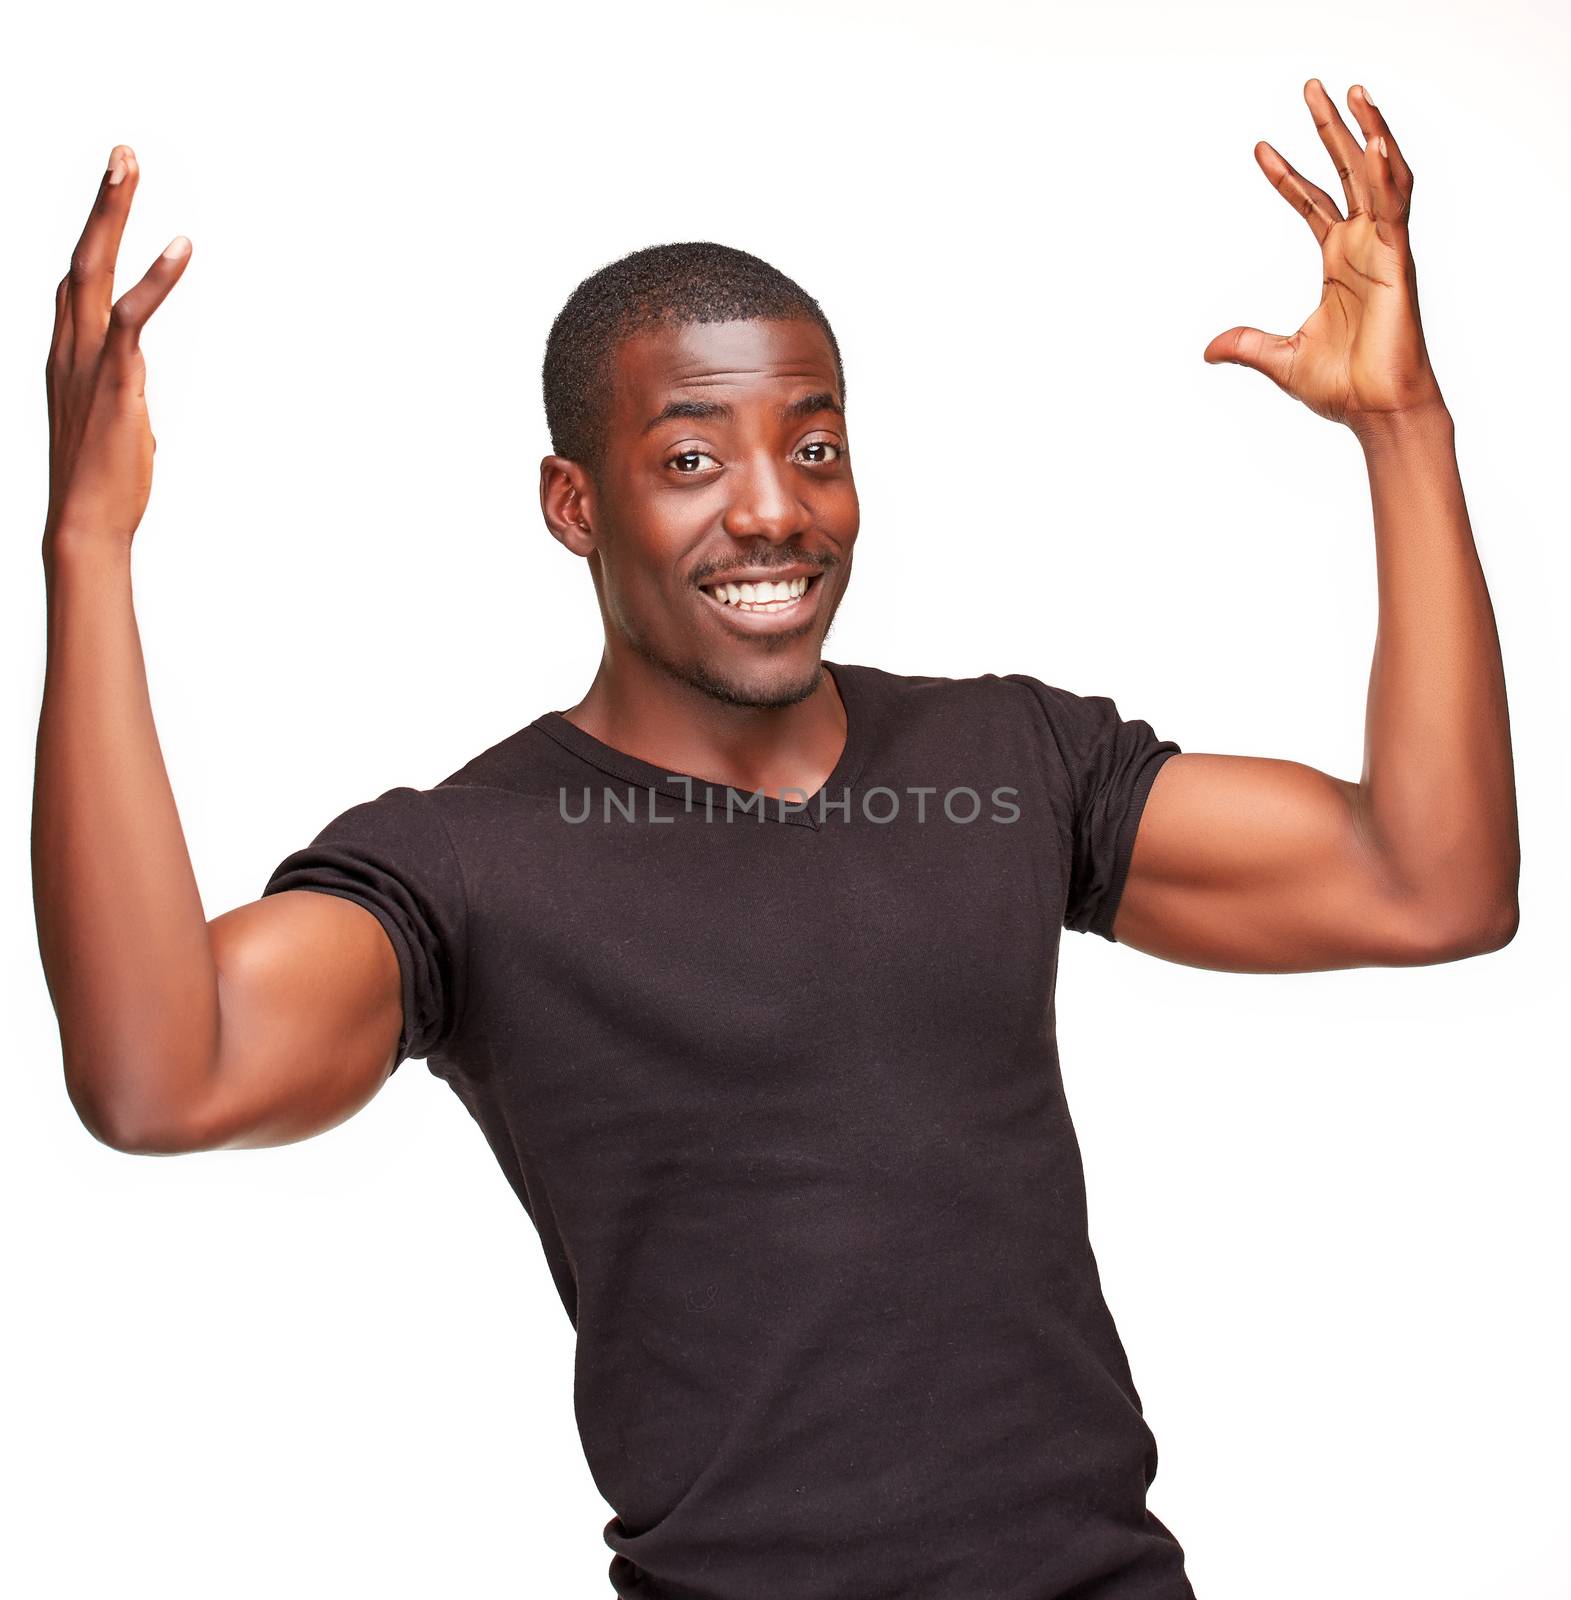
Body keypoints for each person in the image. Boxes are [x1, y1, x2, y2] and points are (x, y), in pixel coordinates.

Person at [32, 77, 1518, 1600]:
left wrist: (1403, 426)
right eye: (690, 462)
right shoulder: (470, 863)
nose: (772, 512)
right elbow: (164, 1072)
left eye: (813, 450)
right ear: (573, 504)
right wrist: (86, 548)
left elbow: (1434, 881)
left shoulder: (1005, 760)